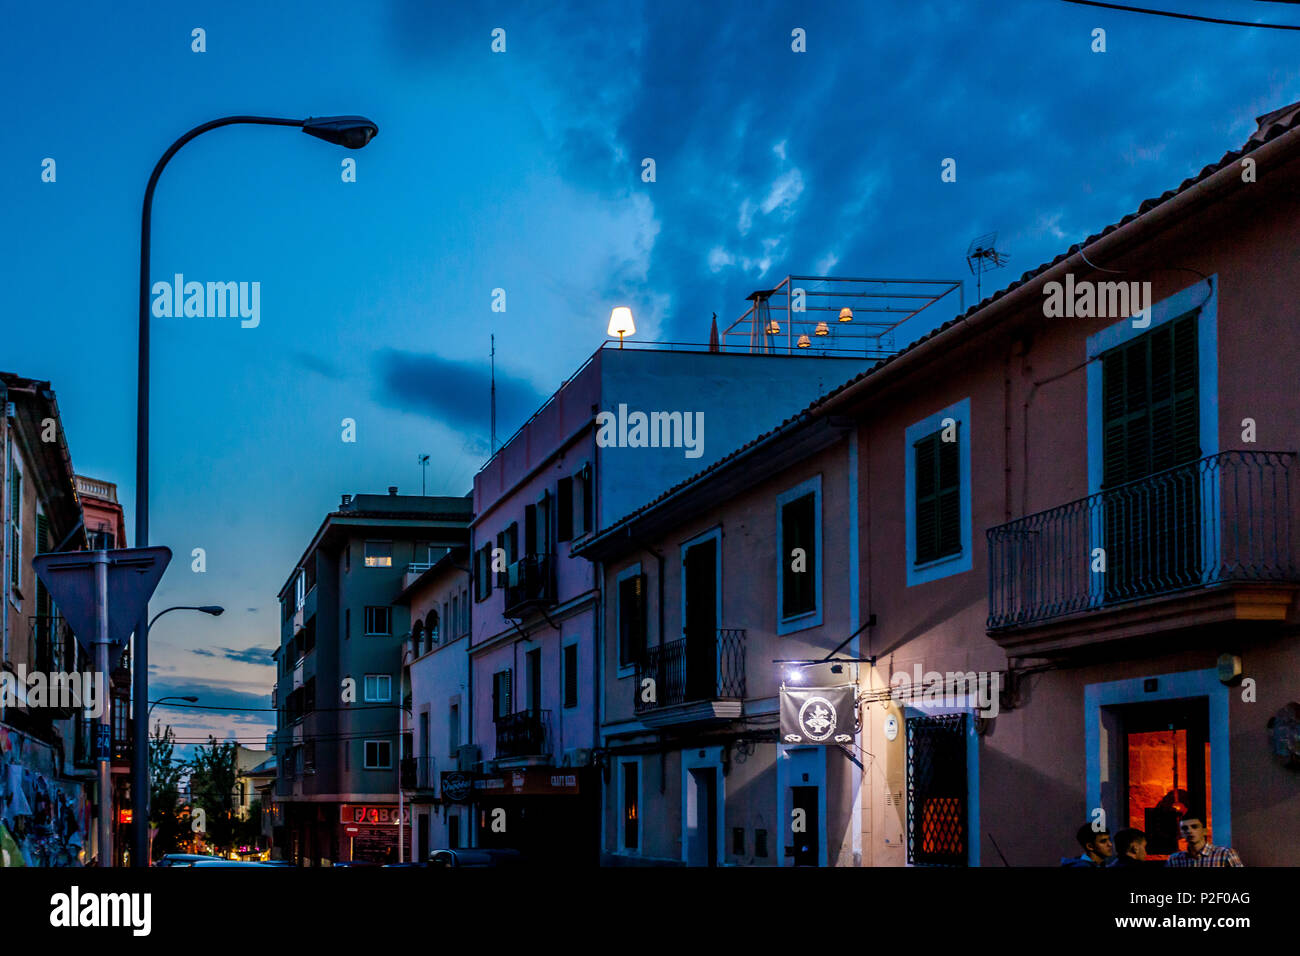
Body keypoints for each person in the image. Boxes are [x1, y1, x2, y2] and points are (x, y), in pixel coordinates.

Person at [1166, 813, 1243, 867]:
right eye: (1184, 828)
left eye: (1194, 827)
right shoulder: (1175, 859)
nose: (1189, 831)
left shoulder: (1225, 854)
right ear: (1181, 833)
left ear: (1204, 831)